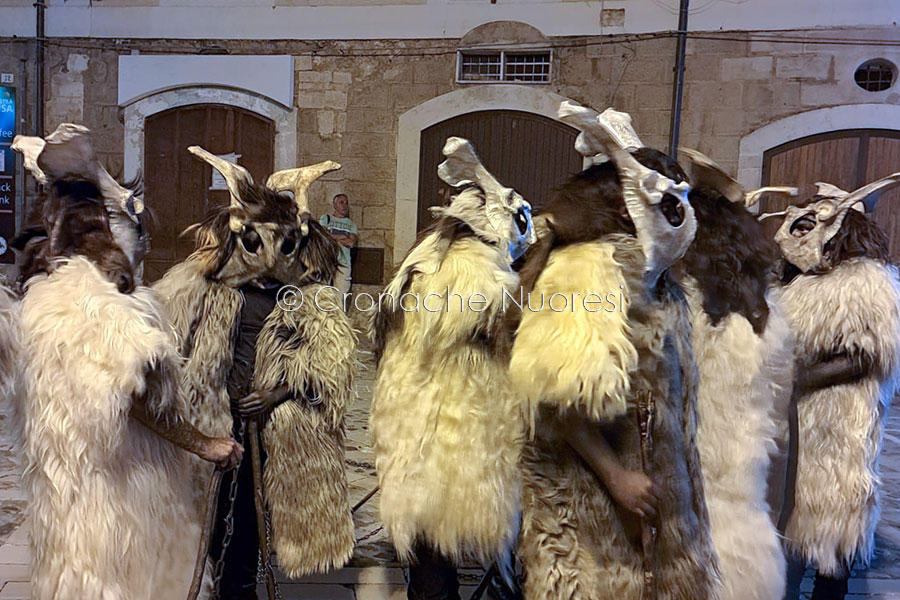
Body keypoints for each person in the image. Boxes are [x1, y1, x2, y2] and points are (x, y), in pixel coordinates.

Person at [11, 123, 242, 600]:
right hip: (124, 501)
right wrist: (206, 444)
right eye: (133, 228)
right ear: (108, 227)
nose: (140, 243)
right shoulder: (108, 307)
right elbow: (137, 397)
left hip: (68, 496)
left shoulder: (42, 298)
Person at [509, 103, 720, 600]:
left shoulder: (649, 274)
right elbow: (556, 396)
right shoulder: (590, 269)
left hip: (649, 485)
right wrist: (617, 476)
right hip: (596, 502)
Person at [154, 148, 357, 599]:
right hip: (212, 428)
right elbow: (169, 344)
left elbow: (330, 369)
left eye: (282, 245)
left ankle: (239, 589)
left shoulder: (307, 298)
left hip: (267, 436)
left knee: (247, 528)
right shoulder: (207, 289)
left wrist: (276, 393)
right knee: (203, 525)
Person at [370, 137, 536, 600]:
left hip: (412, 432)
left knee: (430, 565)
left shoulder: (416, 265)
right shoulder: (481, 273)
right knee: (495, 559)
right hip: (468, 434)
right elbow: (514, 341)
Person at [763, 175, 900, 600]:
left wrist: (799, 379)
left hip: (838, 431)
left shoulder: (866, 282)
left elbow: (869, 354)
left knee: (831, 535)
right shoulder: (796, 284)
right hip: (792, 428)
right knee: (787, 531)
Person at [675, 148, 797, 600]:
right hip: (745, 468)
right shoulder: (766, 312)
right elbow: (780, 413)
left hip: (686, 464)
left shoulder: (680, 305)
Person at [321, 193, 358, 297]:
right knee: (323, 294)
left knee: (340, 296)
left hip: (343, 263)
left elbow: (351, 243)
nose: (344, 205)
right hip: (327, 262)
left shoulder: (351, 224)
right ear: (334, 205)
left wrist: (333, 237)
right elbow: (322, 236)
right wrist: (342, 237)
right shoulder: (326, 219)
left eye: (346, 203)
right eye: (341, 202)